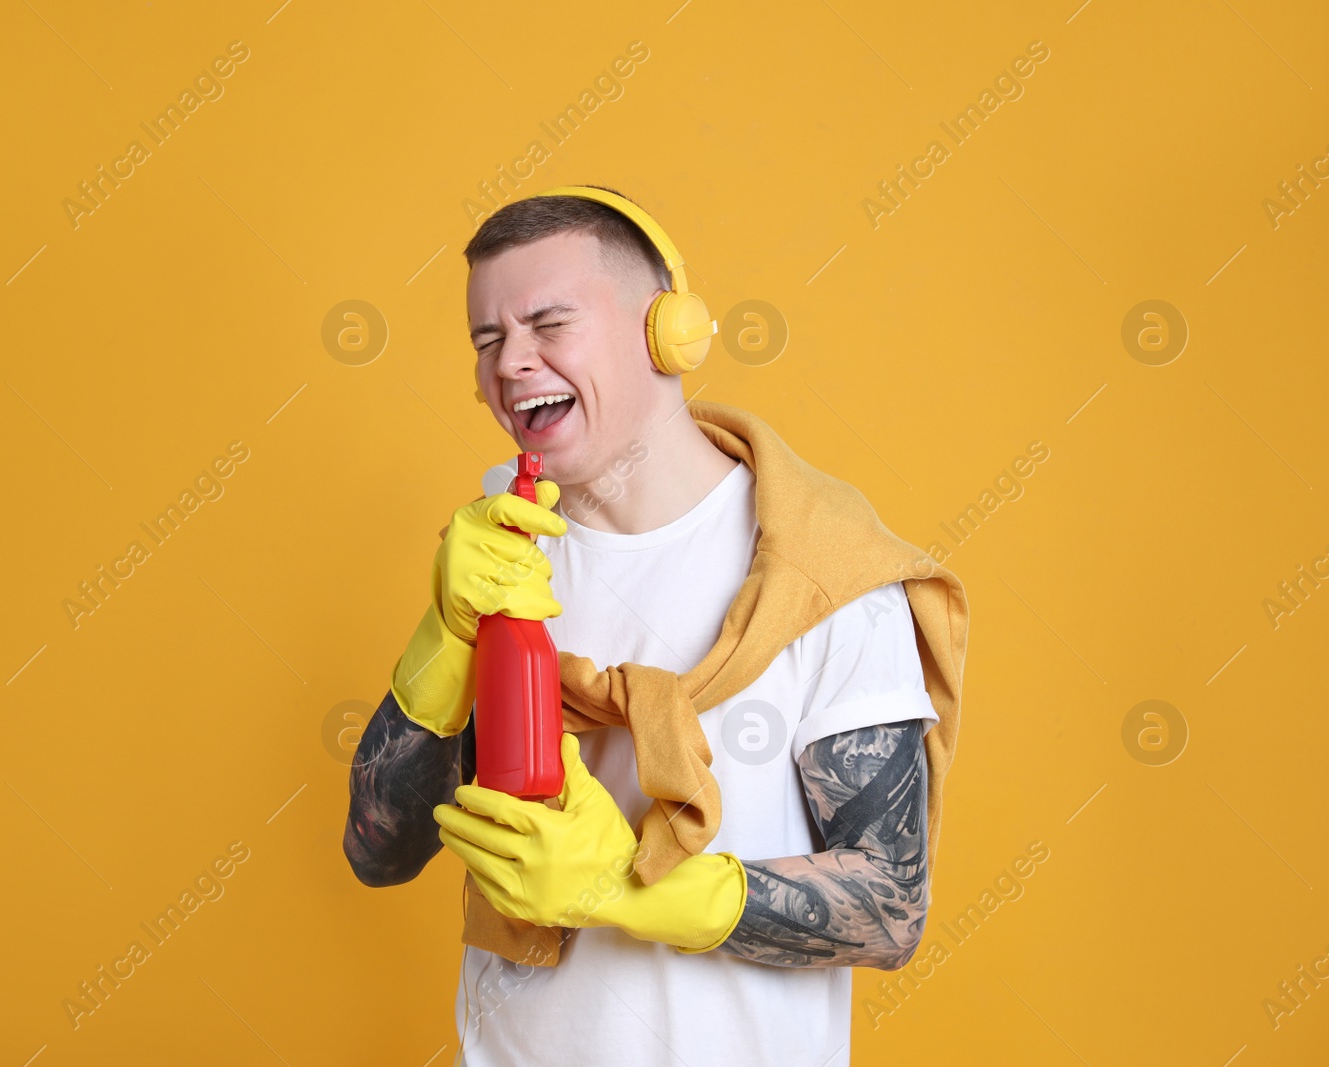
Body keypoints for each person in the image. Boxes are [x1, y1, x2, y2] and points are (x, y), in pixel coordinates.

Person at [342, 185, 964, 1065]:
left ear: (666, 331)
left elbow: (891, 903)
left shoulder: (823, 575)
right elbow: (380, 848)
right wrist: (446, 633)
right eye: (488, 340)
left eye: (548, 324)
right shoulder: (501, 555)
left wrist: (630, 892)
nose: (511, 362)